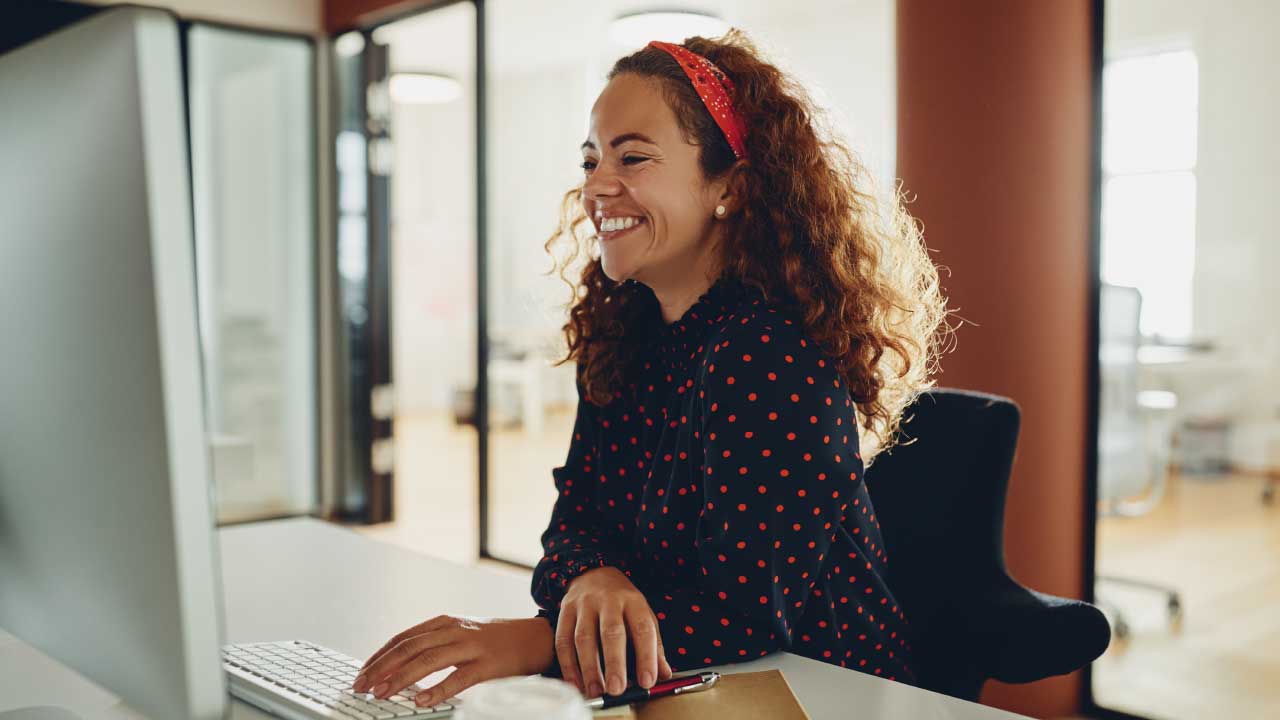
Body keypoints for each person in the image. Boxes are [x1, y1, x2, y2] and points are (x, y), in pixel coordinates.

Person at [351, 30, 951, 710]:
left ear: (729, 186)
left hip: (824, 692)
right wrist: (592, 578)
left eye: (632, 157)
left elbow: (748, 616)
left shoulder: (772, 355)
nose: (598, 186)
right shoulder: (622, 333)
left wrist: (532, 640)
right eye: (590, 161)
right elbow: (570, 529)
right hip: (676, 683)